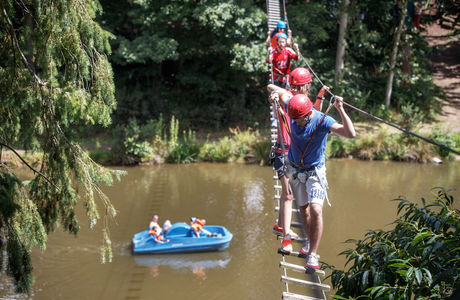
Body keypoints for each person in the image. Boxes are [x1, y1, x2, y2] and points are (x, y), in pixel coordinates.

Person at [269, 92, 356, 271]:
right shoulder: (292, 109)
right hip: (295, 169)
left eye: (299, 120)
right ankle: (308, 242)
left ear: (308, 114)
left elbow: (351, 133)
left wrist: (341, 110)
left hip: (315, 172)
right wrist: (274, 95)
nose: (296, 123)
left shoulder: (323, 121)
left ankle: (313, 253)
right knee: (304, 210)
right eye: (294, 119)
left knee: (316, 209)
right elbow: (279, 92)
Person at [269, 67, 329, 254]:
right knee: (288, 195)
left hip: (297, 157)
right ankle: (286, 238)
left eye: (301, 87)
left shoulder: (304, 104)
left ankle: (281, 226)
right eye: (297, 87)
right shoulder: (287, 99)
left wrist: (320, 97)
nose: (299, 91)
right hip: (283, 152)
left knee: (292, 196)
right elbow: (270, 85)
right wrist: (280, 95)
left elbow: (314, 117)